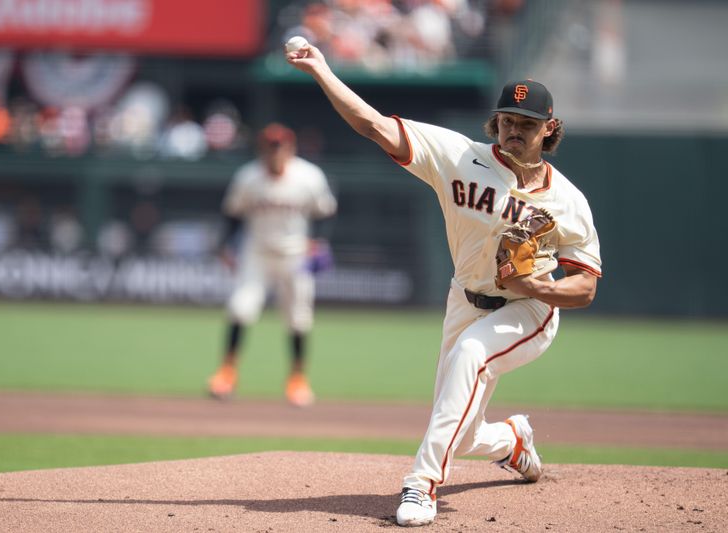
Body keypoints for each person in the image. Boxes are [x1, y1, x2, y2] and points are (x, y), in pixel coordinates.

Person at [286, 44, 601, 526]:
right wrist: (321, 70)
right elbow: (374, 125)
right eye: (507, 119)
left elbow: (584, 288)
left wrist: (536, 287)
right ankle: (514, 441)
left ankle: (421, 484)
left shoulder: (568, 201)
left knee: (471, 358)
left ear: (549, 129)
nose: (514, 130)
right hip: (464, 300)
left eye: (527, 123)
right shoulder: (457, 156)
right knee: (462, 423)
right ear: (496, 121)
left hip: (528, 310)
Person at [208, 123, 338, 408]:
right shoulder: (248, 177)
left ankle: (298, 379)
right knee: (240, 309)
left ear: (290, 149)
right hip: (257, 253)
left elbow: (326, 212)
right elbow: (233, 214)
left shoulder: (308, 176)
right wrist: (225, 246)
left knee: (298, 318)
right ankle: (226, 374)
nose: (275, 152)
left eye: (280, 146)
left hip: (295, 255)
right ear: (262, 150)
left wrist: (318, 241)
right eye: (270, 146)